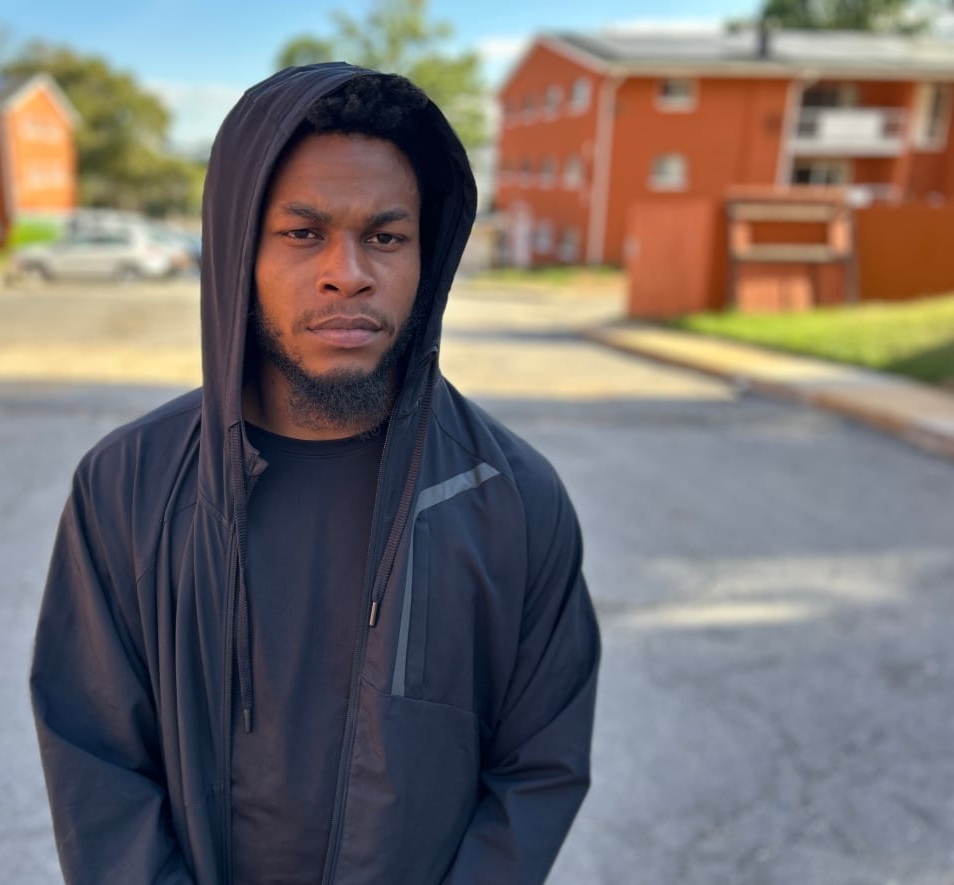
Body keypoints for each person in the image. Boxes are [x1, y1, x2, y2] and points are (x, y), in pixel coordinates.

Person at [30, 62, 600, 885]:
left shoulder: (511, 498)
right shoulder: (127, 487)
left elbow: (535, 770)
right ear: (239, 250)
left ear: (424, 256)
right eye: (304, 233)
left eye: (385, 236)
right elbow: (98, 763)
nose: (348, 271)